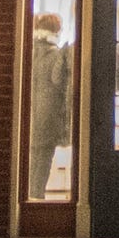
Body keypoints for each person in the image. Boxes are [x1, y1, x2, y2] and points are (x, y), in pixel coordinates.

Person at [26, 12, 72, 200]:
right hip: (49, 114)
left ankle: (29, 195)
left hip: (31, 111)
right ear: (55, 31)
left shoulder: (29, 51)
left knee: (31, 159)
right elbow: (58, 80)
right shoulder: (56, 54)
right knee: (44, 160)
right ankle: (37, 197)